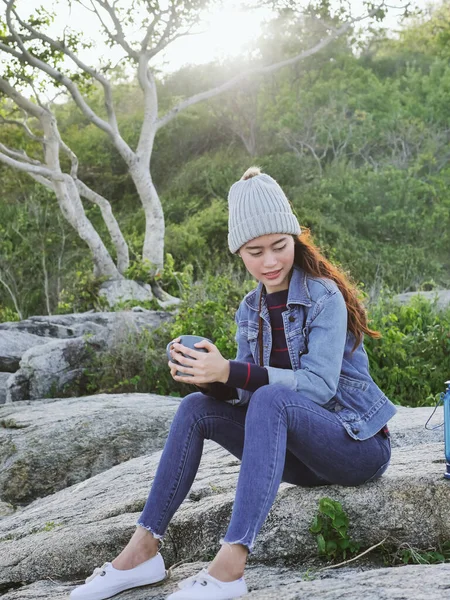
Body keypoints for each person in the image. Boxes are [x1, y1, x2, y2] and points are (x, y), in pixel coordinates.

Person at [70, 167, 397, 600]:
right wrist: (209, 378)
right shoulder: (250, 309)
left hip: (355, 447)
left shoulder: (324, 296)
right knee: (194, 409)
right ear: (239, 253)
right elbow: (244, 391)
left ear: (294, 239)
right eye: (254, 251)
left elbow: (316, 387)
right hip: (300, 461)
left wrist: (230, 372)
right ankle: (142, 552)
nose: (270, 261)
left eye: (279, 246)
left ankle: (230, 568)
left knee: (274, 397)